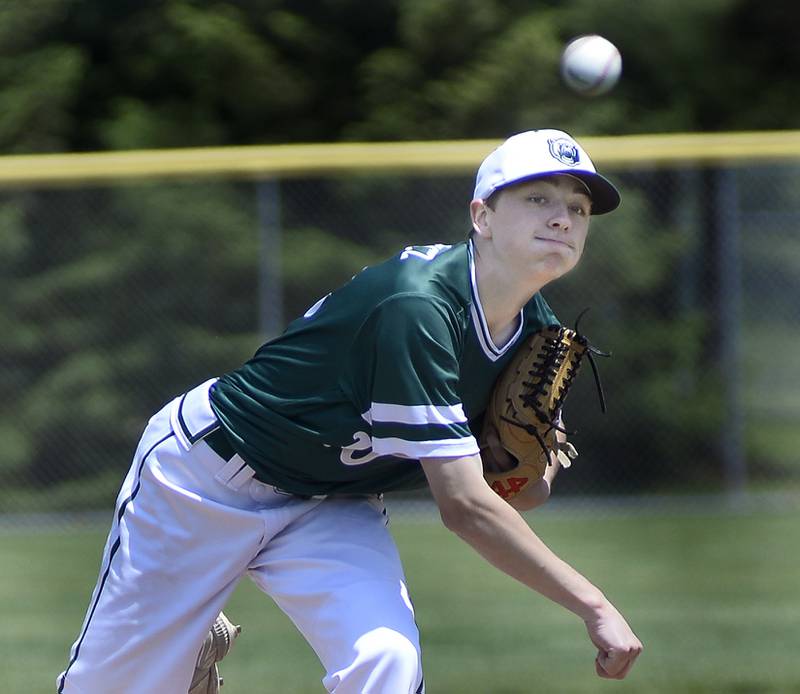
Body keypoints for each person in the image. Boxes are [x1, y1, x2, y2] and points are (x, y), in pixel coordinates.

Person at [58, 128, 642, 693]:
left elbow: (520, 491)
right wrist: (593, 605)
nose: (562, 218)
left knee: (384, 662)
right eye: (537, 198)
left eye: (578, 208)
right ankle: (184, 644)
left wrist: (533, 461)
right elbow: (465, 508)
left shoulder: (536, 334)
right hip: (210, 477)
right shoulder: (419, 307)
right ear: (482, 217)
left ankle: (183, 635)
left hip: (333, 501)